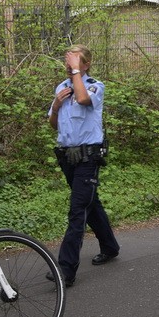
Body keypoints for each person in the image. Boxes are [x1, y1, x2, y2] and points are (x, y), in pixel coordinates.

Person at [48, 44, 120, 288]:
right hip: (67, 157)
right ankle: (110, 246)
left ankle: (65, 269)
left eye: (75, 61)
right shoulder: (61, 88)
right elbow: (52, 124)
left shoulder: (94, 85)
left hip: (88, 157)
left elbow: (82, 99)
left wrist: (77, 73)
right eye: (68, 62)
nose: (69, 66)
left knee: (77, 209)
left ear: (86, 65)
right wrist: (56, 106)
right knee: (90, 202)